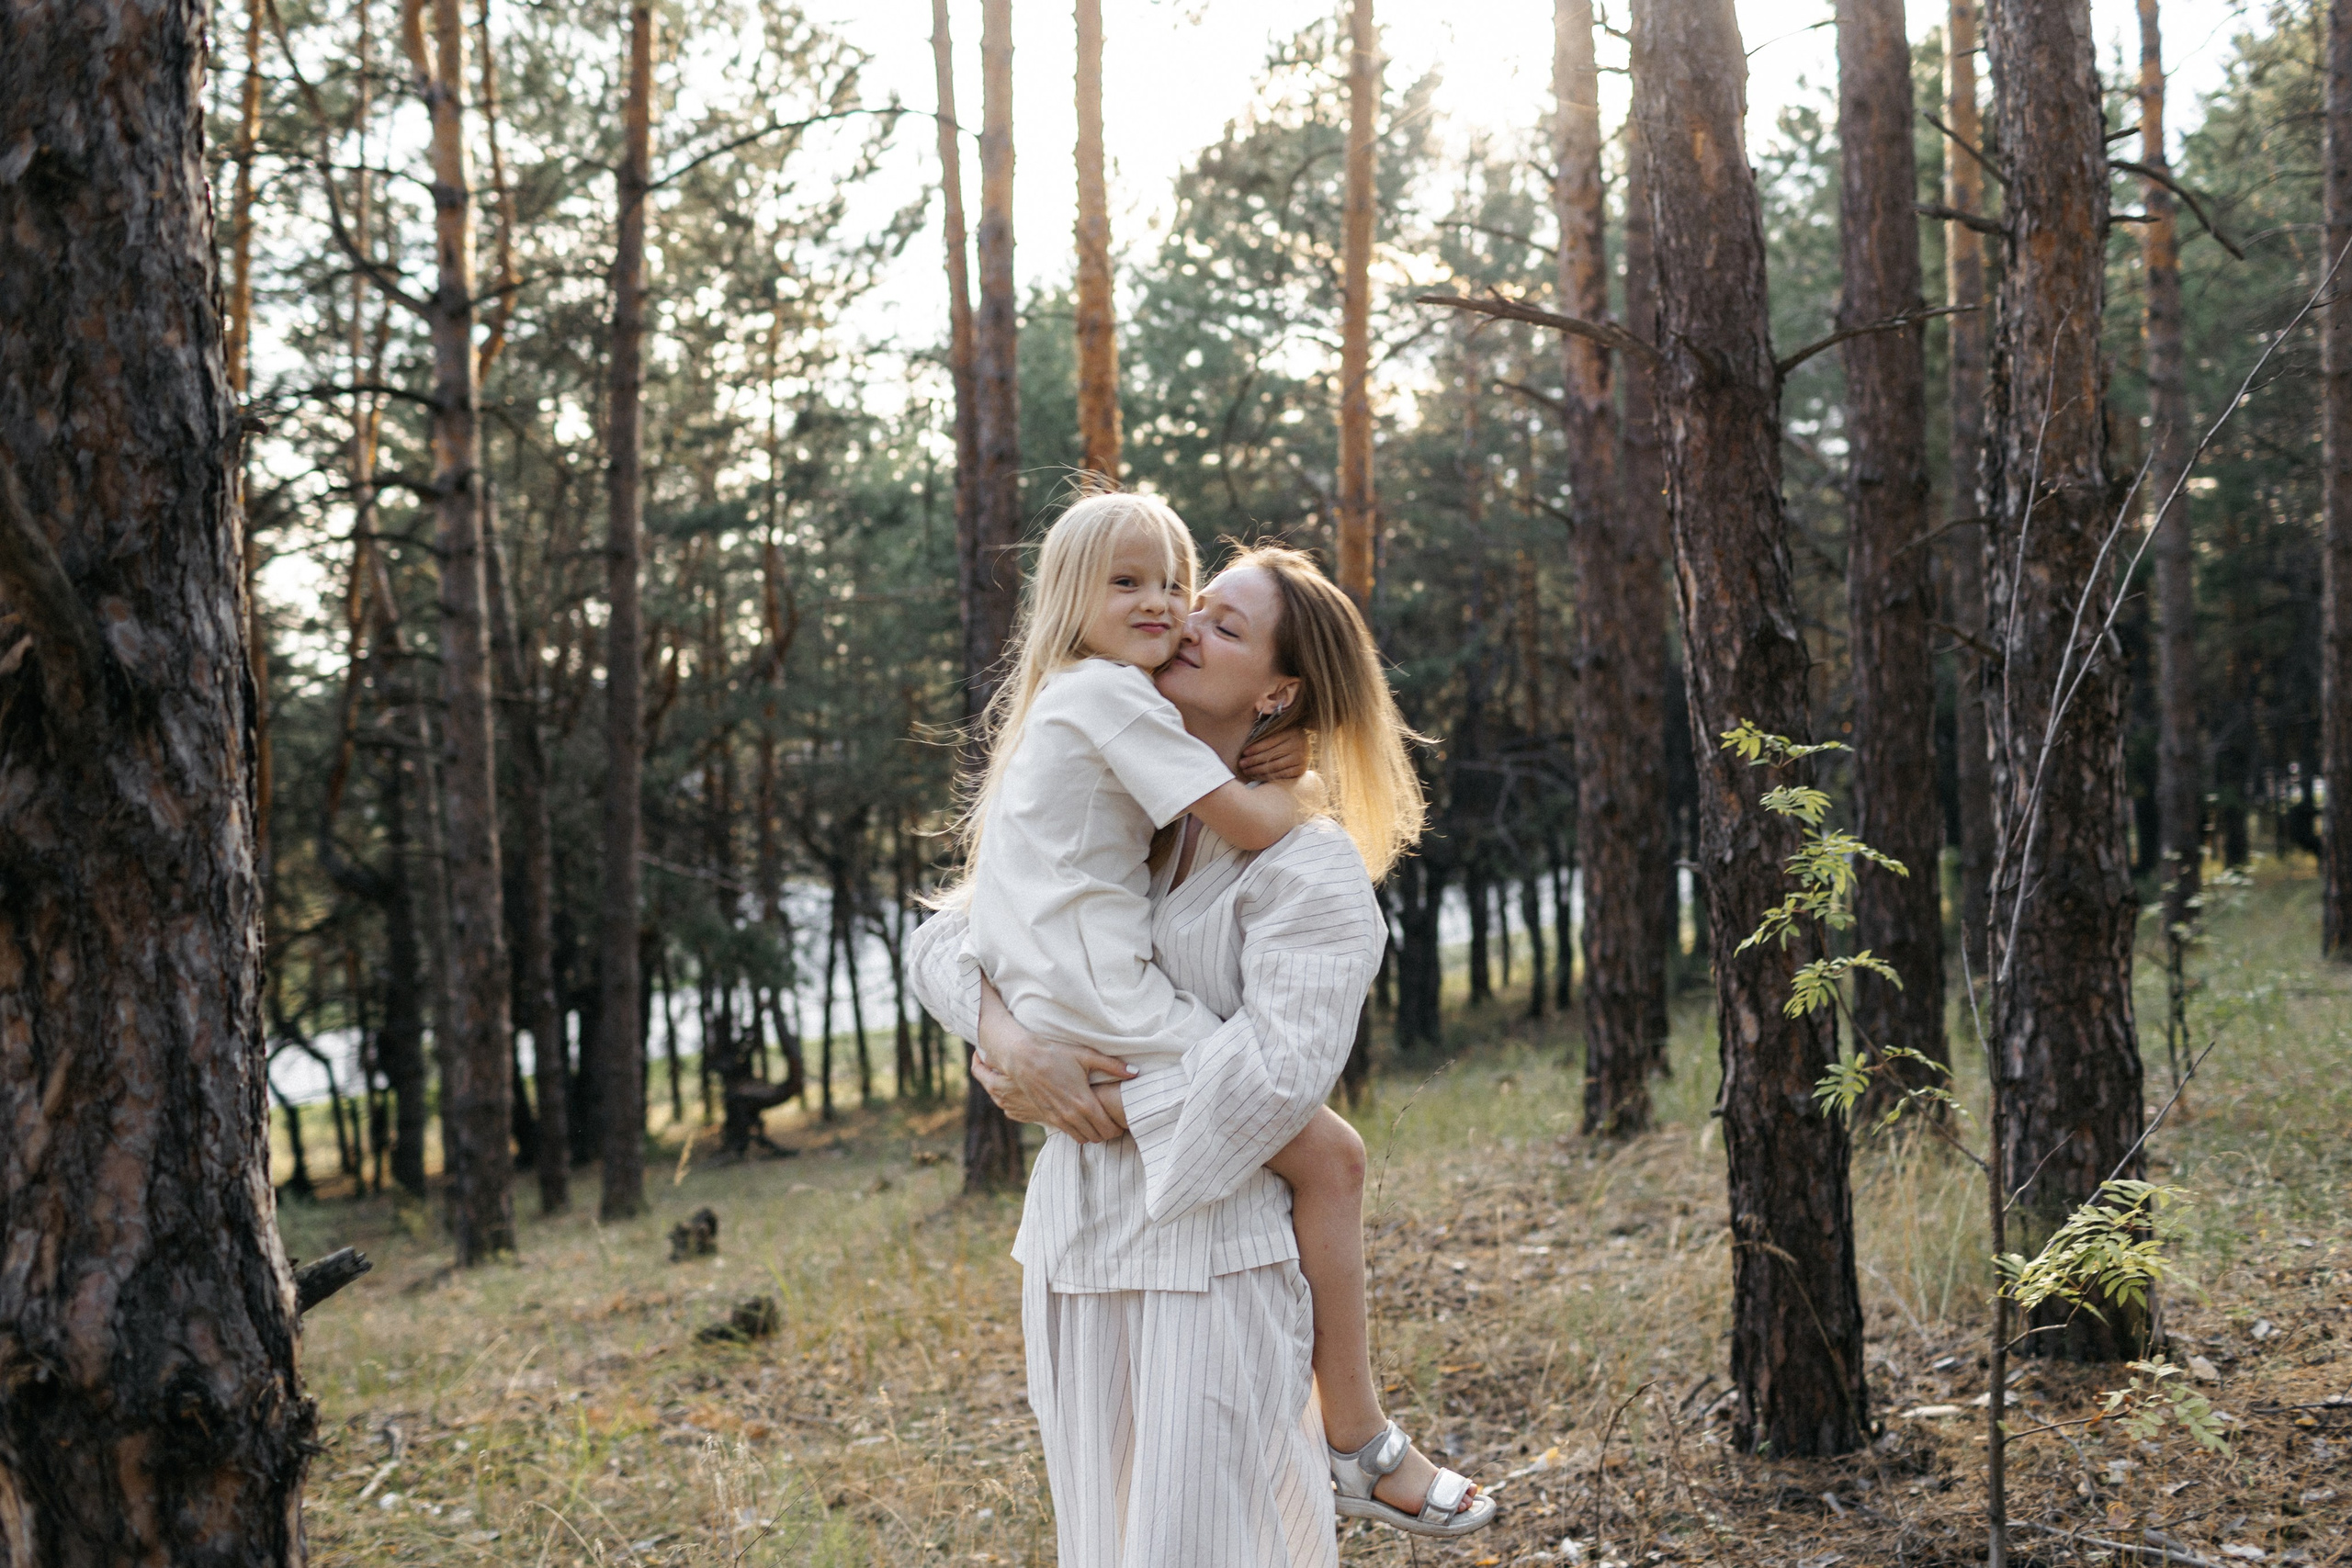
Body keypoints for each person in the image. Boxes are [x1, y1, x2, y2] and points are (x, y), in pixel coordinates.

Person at [912, 538, 1495, 1566]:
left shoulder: (1306, 865)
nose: (1184, 623)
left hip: (1211, 1266)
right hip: (1074, 1258)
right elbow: (949, 936)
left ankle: (1356, 1440)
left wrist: (1096, 1099)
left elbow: (1277, 1080)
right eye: (1195, 604)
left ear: (1277, 693)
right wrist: (1011, 1041)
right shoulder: (1113, 800)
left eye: (1224, 626)